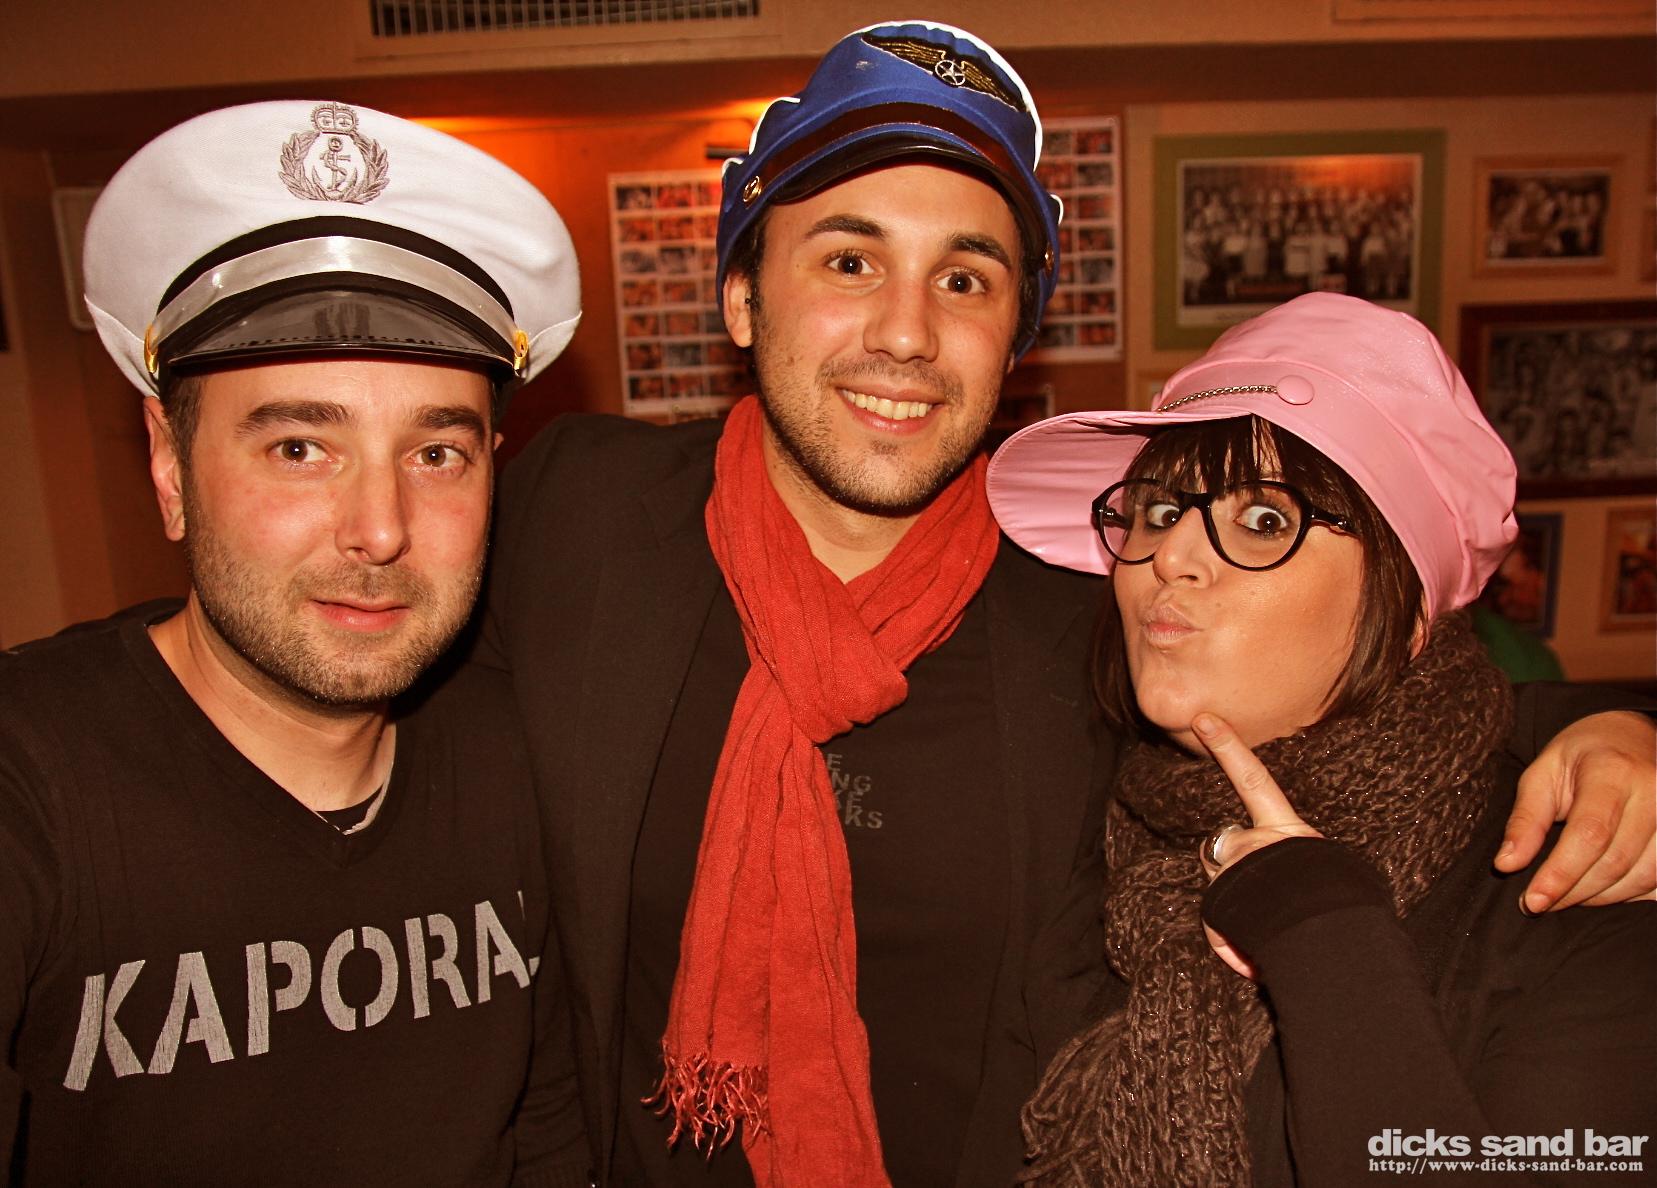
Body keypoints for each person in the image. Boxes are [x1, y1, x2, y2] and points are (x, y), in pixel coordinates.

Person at [479, 23, 1656, 1188]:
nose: (905, 332)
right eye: (848, 262)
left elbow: (1392, 701)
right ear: (741, 298)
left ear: (1014, 341)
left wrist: (1611, 734)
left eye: (963, 279)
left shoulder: (1076, 604)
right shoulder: (576, 515)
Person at [0, 101, 585, 1183]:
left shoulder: (519, 754)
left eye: (437, 455)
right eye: (301, 448)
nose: (380, 530)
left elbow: (548, 1133)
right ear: (170, 468)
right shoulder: (32, 779)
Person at [986, 292, 1656, 1185]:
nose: (1168, 557)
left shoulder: (1579, 889)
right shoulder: (1085, 815)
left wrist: (1321, 937)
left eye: (1263, 520)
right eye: (1157, 510)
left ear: (1404, 607)